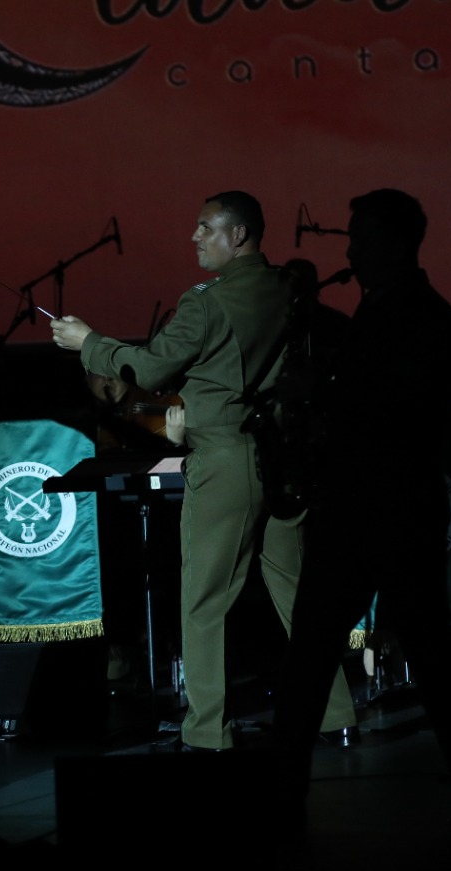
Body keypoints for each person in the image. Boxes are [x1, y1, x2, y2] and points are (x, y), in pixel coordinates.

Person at [50, 191, 357, 751]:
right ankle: (337, 714)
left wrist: (88, 343)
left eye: (204, 227)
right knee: (297, 595)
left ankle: (207, 732)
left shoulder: (206, 303)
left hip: (225, 460)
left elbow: (150, 368)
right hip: (281, 458)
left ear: (237, 235)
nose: (194, 237)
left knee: (205, 600)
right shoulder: (286, 290)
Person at [273, 188, 451, 838]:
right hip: (372, 504)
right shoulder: (391, 309)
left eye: (361, 240)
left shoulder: (419, 316)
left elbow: (403, 408)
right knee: (388, 651)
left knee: (365, 651)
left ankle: (284, 798)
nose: (349, 253)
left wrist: (319, 393)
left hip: (383, 506)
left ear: (395, 244)